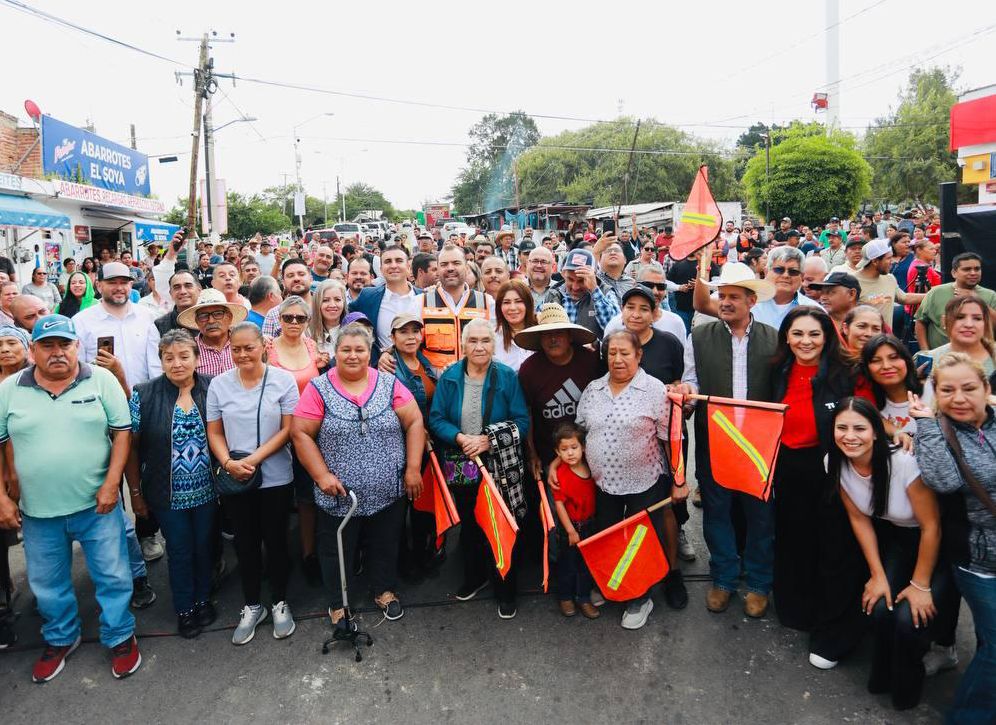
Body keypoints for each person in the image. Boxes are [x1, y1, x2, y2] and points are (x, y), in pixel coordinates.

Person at [0, 315, 142, 682]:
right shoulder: (10, 389)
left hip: (96, 505)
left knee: (112, 574)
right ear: (32, 351)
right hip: (37, 511)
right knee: (47, 582)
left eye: (65, 344)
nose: (57, 353)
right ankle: (61, 637)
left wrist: (113, 484)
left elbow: (122, 434)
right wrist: (1, 497)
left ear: (77, 346)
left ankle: (120, 634)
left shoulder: (102, 379)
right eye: (47, 346)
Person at [292, 322, 426, 623]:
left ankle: (384, 590)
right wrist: (322, 476)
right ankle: (338, 603)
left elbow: (415, 422)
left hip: (387, 488)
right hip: (339, 493)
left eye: (360, 350)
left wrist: (413, 468)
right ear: (336, 352)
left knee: (386, 541)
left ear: (370, 353)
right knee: (336, 548)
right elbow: (300, 433)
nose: (352, 356)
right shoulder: (319, 388)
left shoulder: (389, 384)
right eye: (346, 349)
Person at [769, 307, 869, 668]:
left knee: (836, 549)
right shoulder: (779, 369)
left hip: (834, 470)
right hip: (789, 469)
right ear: (786, 337)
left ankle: (835, 630)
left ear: (827, 336)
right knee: (795, 541)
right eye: (797, 334)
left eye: (814, 334)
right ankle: (799, 610)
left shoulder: (848, 373)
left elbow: (867, 419)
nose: (805, 342)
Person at [678, 263, 778, 617]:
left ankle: (760, 584)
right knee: (717, 513)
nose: (726, 302)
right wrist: (687, 394)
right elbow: (692, 380)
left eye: (735, 296)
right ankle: (723, 579)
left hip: (759, 446)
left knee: (761, 517)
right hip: (715, 441)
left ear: (752, 300)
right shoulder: (700, 337)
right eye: (722, 295)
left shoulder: (774, 337)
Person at [830, 397, 942, 710]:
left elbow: (932, 526)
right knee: (879, 606)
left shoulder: (904, 462)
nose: (850, 436)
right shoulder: (834, 461)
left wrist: (920, 585)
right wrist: (877, 575)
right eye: (842, 428)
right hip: (898, 540)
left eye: (859, 428)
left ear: (877, 433)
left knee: (909, 617)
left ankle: (907, 692)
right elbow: (859, 518)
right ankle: (882, 679)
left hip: (935, 544)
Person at [574, 330, 683, 629]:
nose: (618, 359)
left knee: (640, 541)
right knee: (608, 535)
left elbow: (671, 439)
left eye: (625, 353)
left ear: (639, 355)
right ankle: (614, 584)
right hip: (603, 482)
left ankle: (640, 597)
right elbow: (580, 431)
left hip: (645, 481)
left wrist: (679, 480)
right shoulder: (594, 389)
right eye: (612, 353)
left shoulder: (655, 390)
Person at [911, 353, 996, 722]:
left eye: (968, 388)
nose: (958, 398)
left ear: (986, 389)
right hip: (978, 562)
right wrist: (927, 424)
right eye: (947, 390)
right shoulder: (938, 432)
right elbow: (943, 480)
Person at [428, 318, 530, 618]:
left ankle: (505, 587)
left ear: (493, 344)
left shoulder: (507, 376)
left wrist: (488, 441)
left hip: (498, 464)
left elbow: (522, 422)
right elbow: (436, 419)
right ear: (463, 345)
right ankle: (474, 576)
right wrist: (460, 438)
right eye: (473, 341)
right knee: (471, 526)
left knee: (500, 524)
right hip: (462, 464)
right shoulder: (449, 377)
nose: (479, 346)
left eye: (485, 341)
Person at [206, 323, 300, 645]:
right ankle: (252, 604)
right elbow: (215, 432)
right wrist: (230, 463)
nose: (243, 354)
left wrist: (254, 459)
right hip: (236, 478)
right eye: (236, 349)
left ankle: (280, 601)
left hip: (275, 477)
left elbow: (289, 429)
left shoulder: (283, 381)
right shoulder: (219, 385)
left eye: (249, 347)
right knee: (244, 542)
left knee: (276, 541)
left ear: (263, 346)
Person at [125, 330, 217, 639]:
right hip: (168, 493)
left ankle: (203, 599)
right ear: (161, 360)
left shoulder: (212, 388)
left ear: (196, 358)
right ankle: (185, 608)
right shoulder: (144, 394)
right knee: (179, 550)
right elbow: (131, 448)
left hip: (207, 489)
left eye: (184, 356)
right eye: (169, 358)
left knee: (204, 547)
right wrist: (136, 493)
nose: (177, 363)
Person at [516, 304, 602, 481]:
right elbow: (528, 413)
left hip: (592, 451)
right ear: (540, 339)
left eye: (559, 333)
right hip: (550, 454)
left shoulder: (590, 360)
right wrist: (532, 454)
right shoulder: (529, 369)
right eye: (547, 334)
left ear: (570, 336)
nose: (553, 339)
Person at [549, 422, 599, 619]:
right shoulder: (561, 474)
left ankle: (584, 597)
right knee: (568, 564)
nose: (570, 453)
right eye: (564, 449)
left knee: (585, 564)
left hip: (590, 524)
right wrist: (570, 530)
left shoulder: (590, 465)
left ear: (583, 447)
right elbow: (559, 504)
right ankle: (565, 596)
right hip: (571, 528)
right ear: (557, 452)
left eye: (574, 447)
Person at [348, 246, 420, 363]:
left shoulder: (425, 297)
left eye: (399, 261)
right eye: (388, 261)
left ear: (408, 267)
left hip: (419, 371)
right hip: (383, 371)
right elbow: (344, 316)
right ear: (381, 269)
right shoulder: (367, 297)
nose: (393, 265)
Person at [915, 252, 996, 352]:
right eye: (967, 269)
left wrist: (976, 300)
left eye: (977, 269)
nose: (973, 273)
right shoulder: (936, 293)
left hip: (977, 360)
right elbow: (921, 322)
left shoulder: (990, 296)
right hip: (941, 360)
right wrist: (926, 351)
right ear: (954, 273)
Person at [543, 248, 620, 339]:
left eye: (581, 281)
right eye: (570, 279)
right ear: (563, 274)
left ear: (593, 275)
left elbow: (616, 330)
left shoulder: (606, 292)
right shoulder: (553, 294)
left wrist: (595, 291)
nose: (575, 287)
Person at [861, 335, 925, 435]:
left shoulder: (934, 391)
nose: (886, 366)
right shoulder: (869, 406)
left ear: (907, 361)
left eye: (894, 358)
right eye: (876, 361)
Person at [922, 295, 996, 379]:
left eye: (977, 318)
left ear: (985, 323)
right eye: (960, 317)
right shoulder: (929, 359)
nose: (969, 324)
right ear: (944, 321)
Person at [178, 289, 245, 376]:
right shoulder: (189, 350)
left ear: (229, 317)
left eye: (218, 314)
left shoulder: (243, 344)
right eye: (203, 316)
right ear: (197, 321)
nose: (211, 321)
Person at [854, 240, 924, 321]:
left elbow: (904, 298)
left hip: (887, 334)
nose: (892, 261)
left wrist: (932, 294)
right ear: (875, 261)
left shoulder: (889, 278)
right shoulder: (852, 282)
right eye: (888, 258)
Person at [262, 260, 314, 339]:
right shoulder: (273, 314)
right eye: (290, 276)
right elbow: (267, 347)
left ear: (311, 278)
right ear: (283, 282)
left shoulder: (325, 307)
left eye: (301, 274)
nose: (296, 278)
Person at [493, 279, 536, 372]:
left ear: (528, 304)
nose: (512, 308)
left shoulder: (541, 332)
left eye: (518, 301)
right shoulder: (493, 337)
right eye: (506, 302)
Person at [154, 270, 200, 336]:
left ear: (199, 290)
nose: (183, 291)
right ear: (170, 293)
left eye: (188, 286)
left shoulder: (211, 319)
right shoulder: (159, 325)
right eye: (177, 287)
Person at [310, 279, 348, 359]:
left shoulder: (353, 330)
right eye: (325, 300)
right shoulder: (307, 333)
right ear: (317, 303)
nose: (332, 305)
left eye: (337, 299)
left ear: (344, 302)